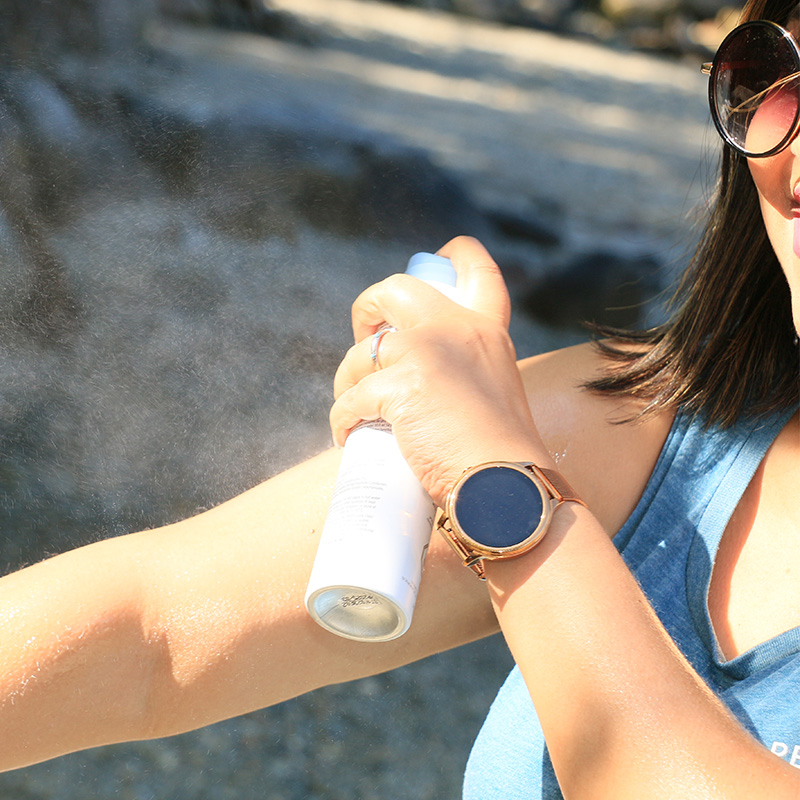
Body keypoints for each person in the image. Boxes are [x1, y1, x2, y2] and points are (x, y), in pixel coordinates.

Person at [1, 0, 800, 795]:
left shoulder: (524, 459)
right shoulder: (661, 419)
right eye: (778, 78)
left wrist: (499, 481)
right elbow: (153, 633)